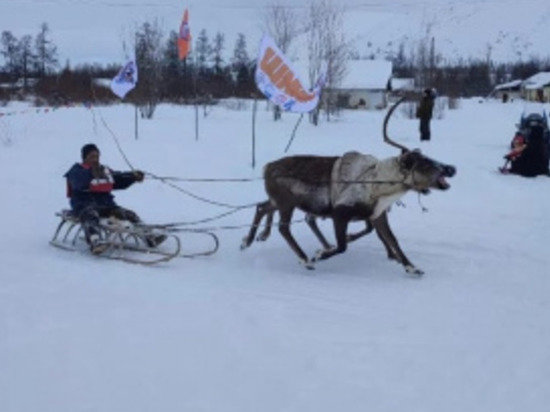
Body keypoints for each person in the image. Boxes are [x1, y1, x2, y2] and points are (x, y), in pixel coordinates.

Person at [64, 143, 165, 254]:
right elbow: (79, 182)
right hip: (84, 204)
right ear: (84, 158)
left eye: (97, 156)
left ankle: (150, 237)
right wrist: (91, 174)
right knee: (90, 215)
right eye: (92, 157)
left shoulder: (103, 170)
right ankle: (95, 241)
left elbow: (118, 179)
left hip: (106, 205)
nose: (95, 159)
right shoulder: (76, 170)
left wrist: (132, 176)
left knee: (129, 214)